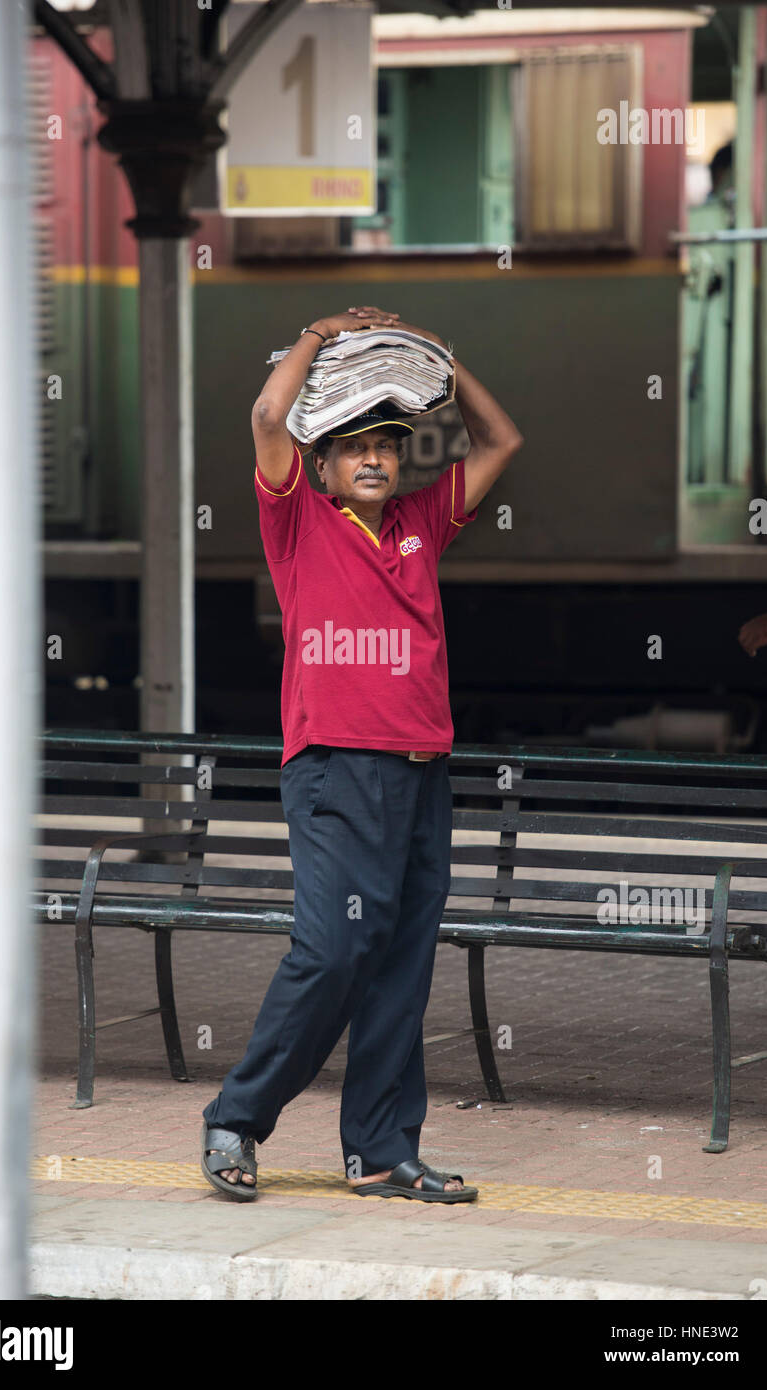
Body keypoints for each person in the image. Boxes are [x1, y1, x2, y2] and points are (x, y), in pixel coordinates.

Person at [200, 305, 523, 1204]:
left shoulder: (424, 518)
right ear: (322, 463)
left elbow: (502, 437)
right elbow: (269, 418)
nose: (373, 458)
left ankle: (381, 1153)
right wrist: (315, 335)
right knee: (334, 948)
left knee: (397, 966)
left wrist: (440, 360)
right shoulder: (296, 520)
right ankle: (237, 1116)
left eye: (386, 443)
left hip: (421, 772)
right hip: (336, 767)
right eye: (351, 446)